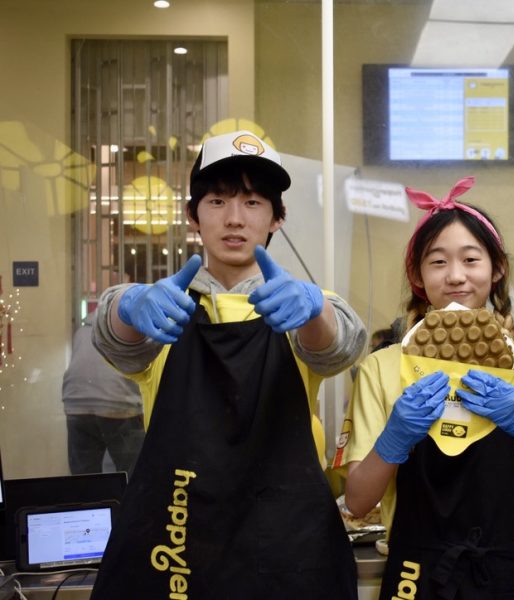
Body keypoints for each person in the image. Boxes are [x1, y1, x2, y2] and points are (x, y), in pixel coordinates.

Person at [90, 130, 367, 599]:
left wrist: (313, 306)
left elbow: (337, 344)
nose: (235, 218)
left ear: (277, 217)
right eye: (217, 201)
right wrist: (127, 303)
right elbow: (118, 339)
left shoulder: (301, 307)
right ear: (192, 215)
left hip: (288, 548)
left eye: (254, 202)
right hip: (179, 542)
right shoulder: (167, 306)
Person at [335, 176, 514, 599]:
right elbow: (358, 501)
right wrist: (394, 438)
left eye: (471, 260)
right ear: (418, 275)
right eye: (437, 262)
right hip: (413, 575)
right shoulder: (382, 369)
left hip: (500, 572)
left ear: (496, 269)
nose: (456, 277)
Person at [63, 310, 144, 476]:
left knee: (83, 476)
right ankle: (125, 501)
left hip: (76, 404)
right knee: (131, 472)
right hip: (119, 403)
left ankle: (89, 500)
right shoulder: (131, 330)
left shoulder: (82, 330)